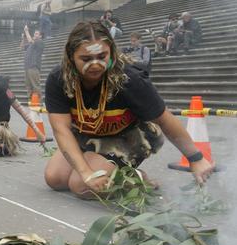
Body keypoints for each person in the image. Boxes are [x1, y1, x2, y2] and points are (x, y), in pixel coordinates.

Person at [43, 20, 214, 198]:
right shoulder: (59, 79)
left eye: (102, 57)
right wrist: (85, 172)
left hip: (127, 137)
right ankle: (99, 163)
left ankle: (135, 178)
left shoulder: (129, 79)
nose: (95, 65)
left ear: (112, 52)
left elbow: (164, 119)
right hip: (88, 134)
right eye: (86, 59)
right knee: (55, 178)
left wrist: (196, 158)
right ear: (71, 56)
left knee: (81, 186)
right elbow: (61, 128)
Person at [22, 25, 44, 102]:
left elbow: (31, 40)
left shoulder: (39, 42)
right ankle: (31, 102)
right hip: (27, 67)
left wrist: (26, 31)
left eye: (37, 34)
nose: (35, 35)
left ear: (40, 36)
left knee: (35, 85)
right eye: (34, 33)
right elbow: (22, 46)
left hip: (34, 67)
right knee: (28, 86)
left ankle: (39, 102)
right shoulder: (31, 44)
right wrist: (23, 37)